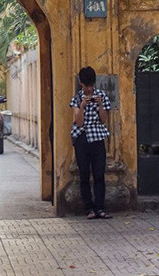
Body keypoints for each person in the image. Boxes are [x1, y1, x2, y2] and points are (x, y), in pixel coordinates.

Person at [69, 66, 113, 219]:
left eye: (91, 85)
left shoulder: (102, 96)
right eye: (86, 85)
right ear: (81, 83)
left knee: (99, 173)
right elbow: (79, 123)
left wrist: (100, 104)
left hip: (97, 137)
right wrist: (82, 106)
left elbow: (104, 119)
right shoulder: (76, 99)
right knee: (84, 174)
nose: (89, 89)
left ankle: (100, 208)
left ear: (94, 83)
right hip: (82, 138)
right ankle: (89, 209)